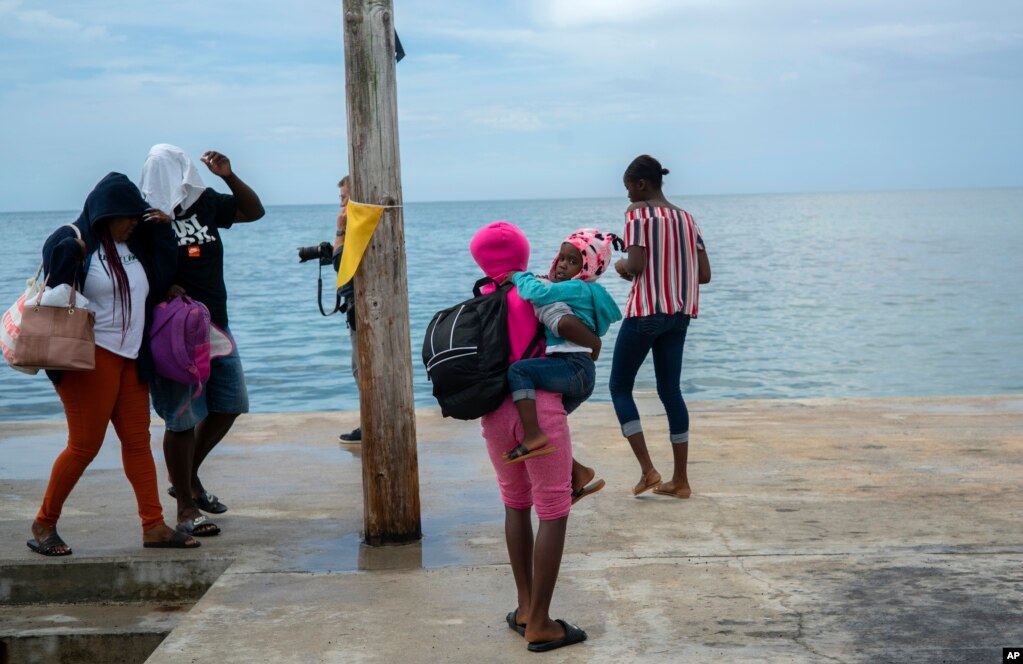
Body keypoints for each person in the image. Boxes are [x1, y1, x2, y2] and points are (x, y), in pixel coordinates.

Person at [28, 173, 198, 555]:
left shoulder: (131, 243)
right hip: (88, 358)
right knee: (84, 445)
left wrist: (163, 232)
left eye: (137, 217)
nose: (134, 222)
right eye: (128, 216)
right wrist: (69, 253)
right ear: (107, 213)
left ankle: (153, 525)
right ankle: (44, 523)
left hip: (131, 357)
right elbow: (56, 293)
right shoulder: (74, 240)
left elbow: (156, 280)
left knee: (138, 443)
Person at [471, 221, 589, 652]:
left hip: (494, 415)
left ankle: (524, 608)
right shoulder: (537, 289)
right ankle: (541, 623)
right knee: (553, 510)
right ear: (524, 255)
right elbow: (569, 328)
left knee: (516, 506)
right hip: (538, 411)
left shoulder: (480, 298)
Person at [141, 144, 265, 535]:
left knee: (230, 404)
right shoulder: (142, 216)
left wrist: (228, 175)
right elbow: (132, 269)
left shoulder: (205, 202)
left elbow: (253, 211)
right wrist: (162, 288)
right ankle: (185, 511)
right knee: (180, 419)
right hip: (170, 330)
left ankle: (187, 480)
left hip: (215, 325)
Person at [609, 155, 711, 499]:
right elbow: (705, 275)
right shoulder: (687, 218)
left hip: (646, 312)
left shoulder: (637, 214)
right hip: (680, 314)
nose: (627, 197)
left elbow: (636, 264)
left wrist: (622, 264)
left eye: (627, 188)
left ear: (642, 185)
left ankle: (649, 471)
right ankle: (680, 480)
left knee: (620, 387)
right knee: (671, 392)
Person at [500, 228, 622, 463]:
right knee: (550, 423)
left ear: (586, 269)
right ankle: (578, 476)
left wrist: (518, 276)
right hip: (582, 373)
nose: (563, 265)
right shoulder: (584, 291)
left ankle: (532, 435)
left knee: (519, 371)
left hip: (571, 366)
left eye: (573, 261)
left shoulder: (577, 288)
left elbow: (535, 292)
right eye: (562, 258)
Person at [333, 175, 361, 443]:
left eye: (344, 197)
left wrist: (339, 231)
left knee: (360, 368)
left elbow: (340, 264)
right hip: (360, 307)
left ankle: (371, 424)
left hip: (361, 310)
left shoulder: (357, 226)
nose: (341, 204)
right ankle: (370, 422)